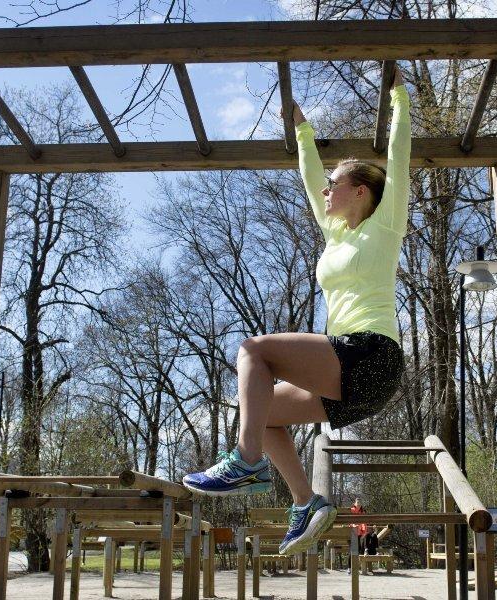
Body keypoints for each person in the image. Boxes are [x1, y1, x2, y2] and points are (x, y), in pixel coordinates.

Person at [182, 68, 412, 558]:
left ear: (361, 192)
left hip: (372, 354)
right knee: (261, 412)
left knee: (253, 351)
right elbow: (310, 179)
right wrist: (302, 131)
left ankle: (245, 463)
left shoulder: (385, 225)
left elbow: (399, 155)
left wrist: (399, 99)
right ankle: (307, 503)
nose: (327, 192)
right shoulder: (336, 236)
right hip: (351, 380)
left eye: (336, 185)